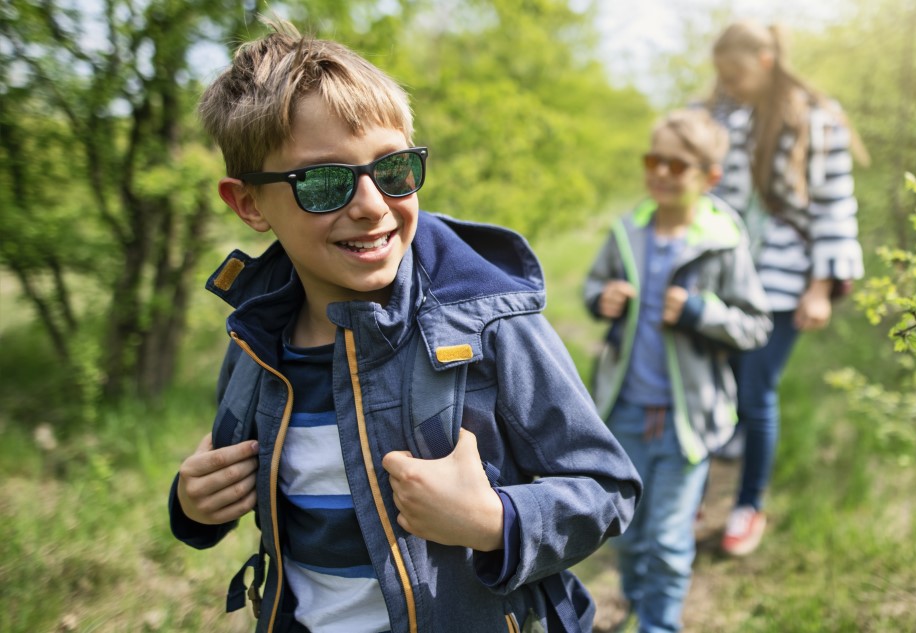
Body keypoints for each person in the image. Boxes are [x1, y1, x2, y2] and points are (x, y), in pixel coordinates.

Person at [167, 19, 641, 633]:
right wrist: (193, 507)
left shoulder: (488, 323)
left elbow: (608, 489)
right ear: (249, 203)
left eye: (392, 170)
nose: (369, 204)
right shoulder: (255, 344)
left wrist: (494, 522)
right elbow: (241, 490)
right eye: (324, 182)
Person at [583, 108, 771, 633]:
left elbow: (755, 325)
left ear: (710, 177)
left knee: (667, 537)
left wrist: (699, 311)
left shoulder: (723, 239)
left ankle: (659, 625)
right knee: (630, 532)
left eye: (678, 165)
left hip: (689, 420)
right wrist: (605, 299)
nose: (661, 173)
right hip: (623, 412)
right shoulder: (628, 232)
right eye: (653, 159)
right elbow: (593, 286)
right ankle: (638, 605)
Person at [705, 21, 870, 557]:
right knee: (720, 384)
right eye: (721, 72)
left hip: (782, 280)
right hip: (724, 276)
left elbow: (834, 206)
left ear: (767, 59)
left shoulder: (816, 116)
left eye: (737, 71)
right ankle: (705, 484)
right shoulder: (719, 114)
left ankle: (748, 505)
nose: (728, 81)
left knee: (757, 391)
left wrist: (821, 288)